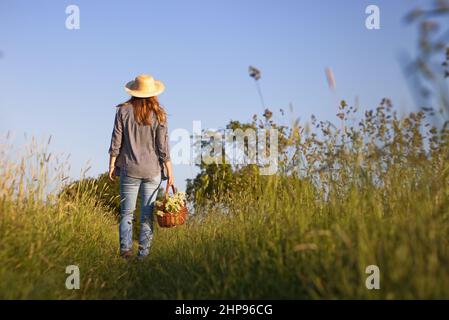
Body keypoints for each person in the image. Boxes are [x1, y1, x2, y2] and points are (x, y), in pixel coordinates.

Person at [108, 74, 174, 259]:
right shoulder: (159, 114)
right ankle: (143, 256)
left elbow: (116, 139)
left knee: (126, 213)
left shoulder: (123, 111)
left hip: (129, 169)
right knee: (146, 216)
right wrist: (170, 170)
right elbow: (163, 147)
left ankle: (125, 251)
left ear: (135, 91)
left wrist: (112, 164)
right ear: (153, 93)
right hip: (152, 171)